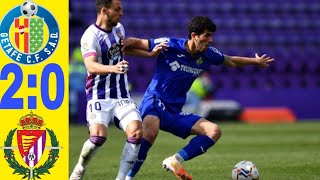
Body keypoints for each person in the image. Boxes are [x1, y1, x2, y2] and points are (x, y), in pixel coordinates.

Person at [123, 16, 274, 180]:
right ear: (194, 35)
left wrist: (256, 61)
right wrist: (150, 54)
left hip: (174, 111)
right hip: (155, 100)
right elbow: (131, 43)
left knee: (214, 131)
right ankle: (127, 177)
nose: (211, 40)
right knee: (150, 132)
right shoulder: (170, 44)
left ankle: (175, 160)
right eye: (207, 35)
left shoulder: (209, 54)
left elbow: (231, 61)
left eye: (211, 36)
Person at [69, 1, 161, 180]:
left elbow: (123, 51)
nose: (122, 13)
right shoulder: (90, 36)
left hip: (120, 95)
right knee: (98, 138)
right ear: (104, 10)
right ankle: (80, 168)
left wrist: (150, 54)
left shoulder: (119, 29)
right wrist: (113, 69)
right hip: (98, 95)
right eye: (117, 9)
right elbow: (90, 65)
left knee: (136, 132)